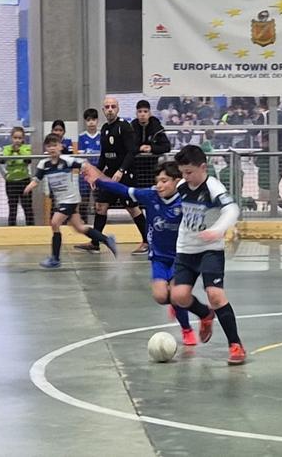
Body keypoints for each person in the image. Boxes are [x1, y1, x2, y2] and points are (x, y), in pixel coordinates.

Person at [83, 160, 199, 346]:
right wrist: (98, 180)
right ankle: (175, 303)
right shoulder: (150, 195)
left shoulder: (185, 201)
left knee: (178, 295)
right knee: (161, 296)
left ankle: (187, 328)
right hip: (159, 258)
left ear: (177, 181)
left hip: (181, 258)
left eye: (164, 181)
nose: (159, 185)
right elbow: (122, 189)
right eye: (158, 181)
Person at [169, 145, 246, 365]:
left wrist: (218, 229)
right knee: (179, 296)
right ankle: (205, 314)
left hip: (210, 250)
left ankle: (236, 344)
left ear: (203, 167)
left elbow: (232, 210)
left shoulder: (213, 187)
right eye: (183, 172)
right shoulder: (183, 186)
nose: (185, 177)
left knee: (215, 295)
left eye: (189, 172)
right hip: (186, 249)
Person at [26, 134, 117, 269]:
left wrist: (90, 174)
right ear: (46, 148)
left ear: (60, 147)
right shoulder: (43, 164)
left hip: (70, 200)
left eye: (55, 145)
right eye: (49, 146)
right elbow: (36, 179)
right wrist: (28, 187)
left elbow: (84, 164)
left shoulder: (67, 161)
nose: (52, 148)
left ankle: (55, 259)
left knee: (55, 223)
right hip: (61, 201)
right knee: (79, 228)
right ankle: (106, 239)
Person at [76, 96, 147, 255]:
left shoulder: (124, 126)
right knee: (100, 207)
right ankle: (95, 243)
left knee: (132, 208)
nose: (110, 109)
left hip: (125, 176)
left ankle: (147, 242)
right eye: (107, 107)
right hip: (109, 177)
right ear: (103, 110)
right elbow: (104, 155)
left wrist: (121, 170)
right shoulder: (105, 129)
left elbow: (132, 151)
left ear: (118, 108)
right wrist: (95, 174)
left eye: (113, 106)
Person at [131, 99, 172, 192]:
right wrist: (139, 149)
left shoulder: (156, 128)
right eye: (140, 111)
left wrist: (151, 148)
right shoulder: (131, 128)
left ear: (150, 113)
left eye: (145, 111)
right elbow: (126, 147)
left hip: (152, 169)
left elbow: (167, 147)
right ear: (136, 113)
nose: (142, 114)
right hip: (135, 169)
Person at [1, 126, 34, 226]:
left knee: (27, 206)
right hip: (11, 181)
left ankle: (31, 228)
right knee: (12, 207)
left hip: (24, 180)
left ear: (23, 138)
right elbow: (5, 160)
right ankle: (11, 228)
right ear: (11, 138)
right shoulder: (6, 149)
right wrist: (12, 151)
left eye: (20, 138)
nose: (17, 140)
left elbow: (27, 160)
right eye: (15, 138)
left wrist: (18, 151)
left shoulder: (27, 148)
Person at [77, 108, 102, 220]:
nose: (91, 122)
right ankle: (84, 221)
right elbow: (82, 157)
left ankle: (98, 223)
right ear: (85, 122)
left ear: (97, 120)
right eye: (88, 120)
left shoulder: (102, 135)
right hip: (85, 174)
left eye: (93, 119)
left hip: (98, 173)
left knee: (99, 200)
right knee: (84, 200)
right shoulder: (82, 137)